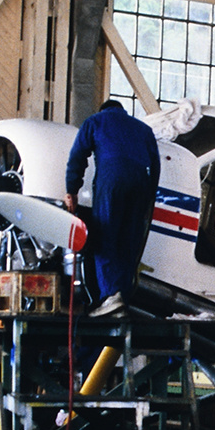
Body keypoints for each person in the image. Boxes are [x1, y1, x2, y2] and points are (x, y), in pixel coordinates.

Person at [64, 99, 161, 317]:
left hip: (112, 179)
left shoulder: (95, 121)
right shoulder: (144, 129)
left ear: (104, 109)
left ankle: (110, 296)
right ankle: (122, 300)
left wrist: (72, 190)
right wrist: (148, 197)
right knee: (128, 241)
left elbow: (77, 157)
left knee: (105, 235)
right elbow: (155, 165)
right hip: (141, 185)